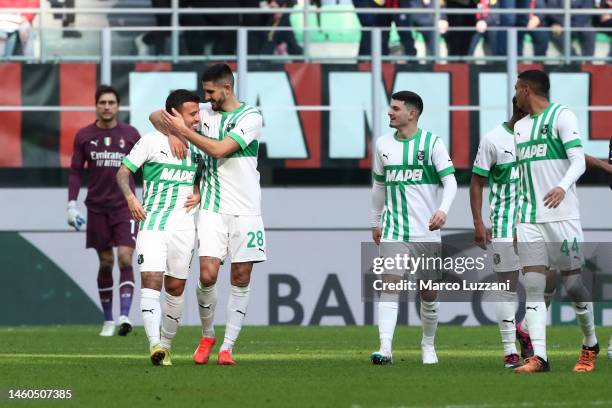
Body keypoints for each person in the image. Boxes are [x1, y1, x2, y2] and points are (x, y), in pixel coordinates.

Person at [150, 63, 266, 366]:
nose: (206, 97)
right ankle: (208, 333)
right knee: (207, 274)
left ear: (226, 88)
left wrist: (182, 131)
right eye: (205, 92)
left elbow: (218, 150)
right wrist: (172, 131)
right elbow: (154, 115)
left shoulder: (250, 117)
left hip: (247, 211)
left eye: (210, 91)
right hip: (213, 208)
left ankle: (227, 347)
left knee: (241, 277)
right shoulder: (204, 113)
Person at [512, 69, 598, 373]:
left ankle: (590, 344)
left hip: (562, 216)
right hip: (529, 217)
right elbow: (522, 177)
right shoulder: (520, 128)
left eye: (516, 88)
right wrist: (516, 220)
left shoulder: (563, 116)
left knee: (574, 285)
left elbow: (578, 161)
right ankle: (540, 358)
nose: (515, 94)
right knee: (533, 284)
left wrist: (562, 186)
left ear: (525, 89)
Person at [370, 91, 457, 365]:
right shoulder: (383, 144)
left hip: (426, 232)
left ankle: (428, 345)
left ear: (412, 113)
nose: (390, 113)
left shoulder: (432, 143)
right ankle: (385, 349)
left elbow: (451, 182)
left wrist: (443, 210)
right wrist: (376, 220)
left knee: (428, 293)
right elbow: (379, 186)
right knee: (389, 285)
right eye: (390, 108)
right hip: (394, 230)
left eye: (395, 108)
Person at [116, 89, 202, 366]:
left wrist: (198, 191)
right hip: (152, 224)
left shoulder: (200, 143)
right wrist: (130, 197)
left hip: (184, 227)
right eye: (193, 114)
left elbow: (206, 176)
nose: (198, 118)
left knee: (175, 287)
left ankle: (166, 344)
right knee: (151, 283)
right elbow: (123, 172)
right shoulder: (151, 141)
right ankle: (154, 344)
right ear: (175, 115)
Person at [67, 85, 141, 337]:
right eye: (103, 102)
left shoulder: (131, 134)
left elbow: (146, 167)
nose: (107, 106)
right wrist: (71, 204)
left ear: (118, 106)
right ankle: (108, 319)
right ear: (96, 105)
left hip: (125, 206)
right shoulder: (84, 135)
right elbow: (76, 171)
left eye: (111, 102)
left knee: (124, 258)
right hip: (97, 207)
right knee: (106, 263)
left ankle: (124, 316)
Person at [470, 97, 526, 369]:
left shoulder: (540, 139)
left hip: (536, 223)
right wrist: (478, 222)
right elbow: (477, 182)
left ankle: (526, 331)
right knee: (507, 287)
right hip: (504, 226)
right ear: (521, 108)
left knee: (546, 285)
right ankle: (509, 350)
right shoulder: (493, 139)